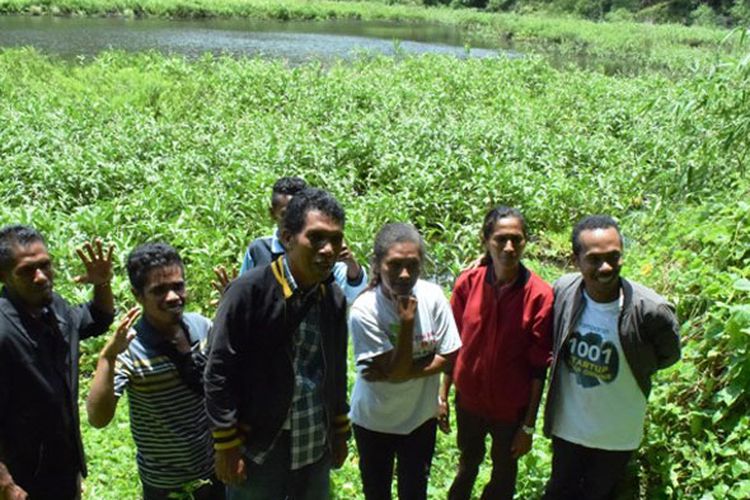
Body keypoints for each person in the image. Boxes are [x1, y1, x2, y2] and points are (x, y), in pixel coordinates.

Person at [206, 188, 351, 499]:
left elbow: (336, 370)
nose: (328, 250)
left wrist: (339, 431)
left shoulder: (332, 298)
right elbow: (218, 371)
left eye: (336, 240)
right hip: (259, 442)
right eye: (316, 238)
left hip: (313, 437)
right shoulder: (249, 292)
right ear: (287, 237)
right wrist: (226, 444)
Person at [542, 215, 681, 500]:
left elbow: (668, 355)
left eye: (613, 257)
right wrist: (487, 263)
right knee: (558, 491)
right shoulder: (564, 291)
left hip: (617, 435)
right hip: (569, 428)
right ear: (575, 260)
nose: (605, 267)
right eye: (594, 259)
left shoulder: (650, 311)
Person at [86, 243, 224, 499]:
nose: (173, 296)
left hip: (214, 470)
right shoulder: (131, 349)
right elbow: (98, 418)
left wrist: (232, 314)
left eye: (178, 286)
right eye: (159, 290)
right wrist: (107, 358)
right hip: (164, 484)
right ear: (138, 295)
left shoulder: (202, 327)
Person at [442, 207, 554, 500]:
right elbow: (450, 344)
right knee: (467, 463)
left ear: (526, 241)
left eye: (516, 240)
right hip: (469, 402)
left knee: (504, 473)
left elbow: (538, 367)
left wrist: (528, 426)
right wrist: (442, 395)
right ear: (485, 240)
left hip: (510, 409)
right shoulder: (468, 284)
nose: (509, 248)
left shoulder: (539, 295)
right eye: (500, 239)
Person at [0, 225, 114, 500]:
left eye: (45, 265)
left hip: (62, 467)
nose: (40, 277)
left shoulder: (55, 309)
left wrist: (102, 283)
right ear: (3, 276)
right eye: (26, 271)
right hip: (21, 480)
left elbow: (98, 317)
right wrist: (5, 485)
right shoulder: (3, 333)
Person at [349, 223, 461, 500]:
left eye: (412, 264)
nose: (404, 274)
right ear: (377, 264)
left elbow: (450, 357)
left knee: (415, 492)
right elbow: (414, 366)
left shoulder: (433, 296)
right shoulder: (364, 310)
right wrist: (407, 322)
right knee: (377, 492)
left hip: (419, 420)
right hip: (374, 421)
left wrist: (391, 373)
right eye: (394, 265)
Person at [238, 177, 367, 304]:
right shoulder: (258, 250)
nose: (292, 221)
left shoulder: (325, 253)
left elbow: (353, 298)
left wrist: (351, 265)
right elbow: (246, 293)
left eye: (298, 215)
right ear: (272, 213)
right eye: (285, 214)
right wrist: (234, 296)